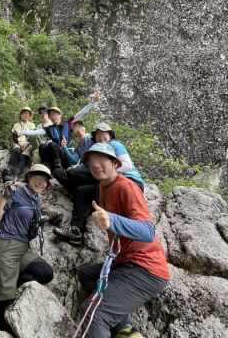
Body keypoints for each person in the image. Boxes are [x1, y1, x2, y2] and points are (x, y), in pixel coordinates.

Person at [77, 143, 169, 338]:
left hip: (145, 269)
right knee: (86, 275)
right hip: (125, 263)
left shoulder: (126, 186)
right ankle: (124, 329)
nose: (96, 165)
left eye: (101, 160)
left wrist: (112, 220)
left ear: (115, 163)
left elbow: (147, 231)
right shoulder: (103, 188)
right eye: (91, 162)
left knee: (93, 314)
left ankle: (109, 321)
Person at [0, 164, 54, 331]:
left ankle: (13, 281)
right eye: (38, 178)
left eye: (45, 180)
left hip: (23, 248)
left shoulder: (37, 199)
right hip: (5, 245)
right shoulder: (15, 191)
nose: (41, 182)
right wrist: (4, 196)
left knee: (45, 273)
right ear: (29, 177)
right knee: (0, 310)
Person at [92, 122, 145, 191]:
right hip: (116, 180)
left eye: (103, 133)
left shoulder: (114, 144)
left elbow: (127, 165)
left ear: (110, 135)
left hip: (131, 179)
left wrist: (107, 171)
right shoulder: (99, 151)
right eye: (97, 134)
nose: (100, 136)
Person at [2, 107, 36, 182]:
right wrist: (18, 144)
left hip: (28, 144)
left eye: (27, 114)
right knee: (16, 151)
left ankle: (16, 175)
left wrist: (26, 145)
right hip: (18, 143)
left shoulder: (32, 125)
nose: (25, 115)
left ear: (30, 116)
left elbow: (33, 138)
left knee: (24, 155)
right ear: (21, 115)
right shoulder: (16, 125)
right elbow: (13, 137)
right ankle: (10, 171)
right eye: (24, 113)